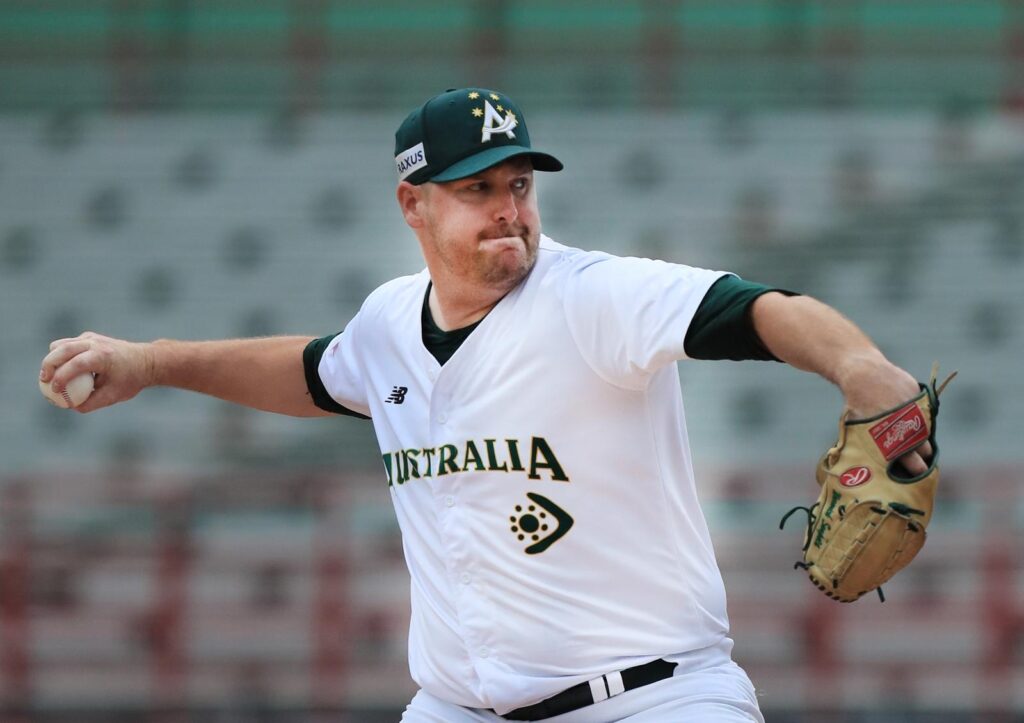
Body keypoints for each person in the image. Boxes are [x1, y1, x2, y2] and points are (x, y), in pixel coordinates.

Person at [40, 88, 932, 722]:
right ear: (413, 204)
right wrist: (151, 361)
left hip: (654, 698)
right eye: (478, 189)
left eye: (519, 184)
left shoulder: (593, 298)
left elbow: (757, 309)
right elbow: (312, 371)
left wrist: (858, 365)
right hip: (457, 705)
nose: (509, 209)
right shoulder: (389, 324)